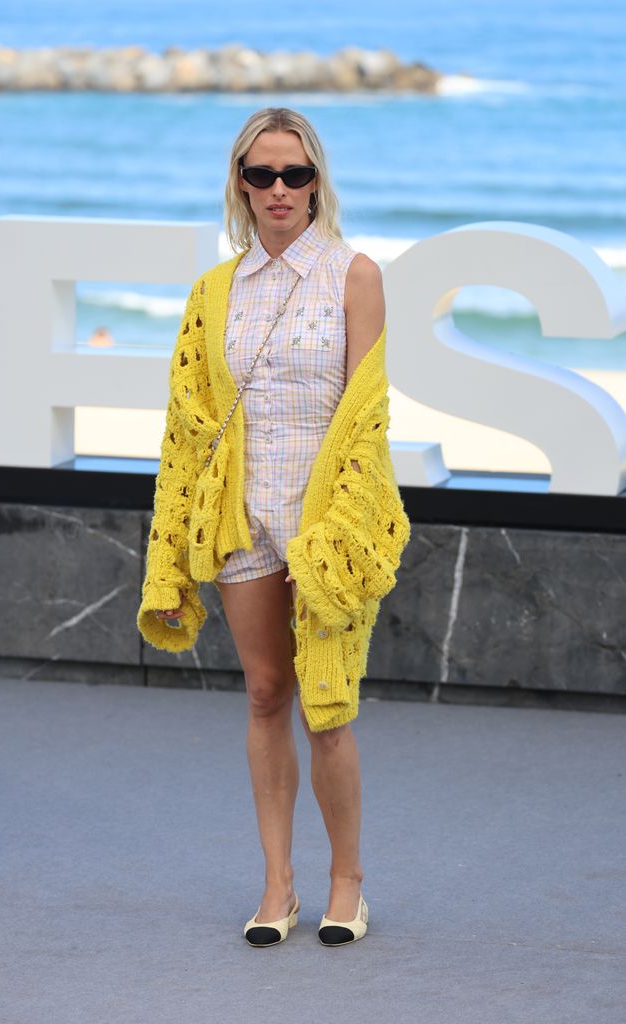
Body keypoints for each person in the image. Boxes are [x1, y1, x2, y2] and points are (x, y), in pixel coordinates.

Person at [137, 107, 411, 947]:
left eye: (296, 175)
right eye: (263, 175)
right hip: (241, 520)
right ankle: (277, 886)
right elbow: (189, 425)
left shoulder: (353, 275)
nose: (280, 189)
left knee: (327, 707)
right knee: (265, 695)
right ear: (241, 185)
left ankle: (346, 883)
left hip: (327, 523)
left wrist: (339, 525)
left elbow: (365, 418)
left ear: (317, 183)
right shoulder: (212, 292)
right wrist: (177, 537)